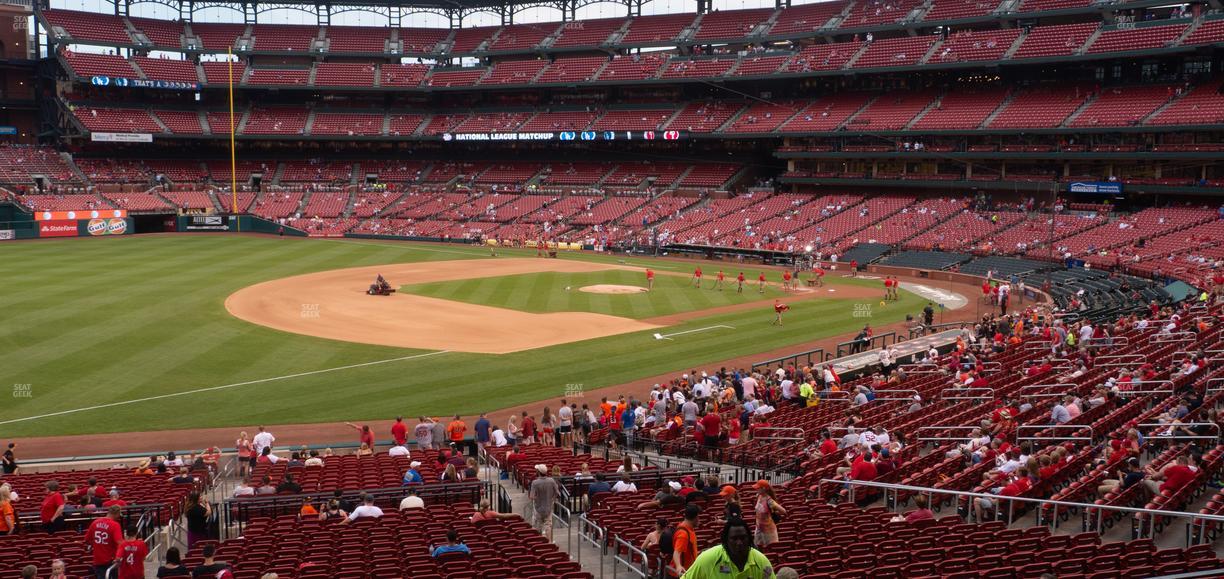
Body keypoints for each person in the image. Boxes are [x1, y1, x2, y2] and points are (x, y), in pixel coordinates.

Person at [683, 517, 776, 578]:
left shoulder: (761, 562)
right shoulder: (707, 559)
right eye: (734, 539)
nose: (739, 543)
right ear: (726, 541)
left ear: (749, 539)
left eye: (743, 538)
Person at [86, 505, 123, 579]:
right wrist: (119, 556)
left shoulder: (95, 522)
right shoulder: (115, 525)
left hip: (98, 560)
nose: (119, 517)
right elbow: (120, 543)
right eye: (119, 514)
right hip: (111, 560)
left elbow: (87, 539)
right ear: (116, 513)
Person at [529, 464, 560, 540]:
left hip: (538, 508)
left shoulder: (535, 482)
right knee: (548, 526)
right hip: (548, 506)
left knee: (538, 526)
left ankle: (539, 543)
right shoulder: (551, 480)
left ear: (538, 472)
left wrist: (537, 498)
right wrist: (553, 499)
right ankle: (549, 543)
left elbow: (531, 496)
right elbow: (557, 493)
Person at [671, 503, 702, 576]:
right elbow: (677, 552)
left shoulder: (688, 528)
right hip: (682, 573)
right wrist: (678, 566)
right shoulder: (683, 534)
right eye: (699, 517)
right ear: (696, 517)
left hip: (689, 571)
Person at [752, 480, 786, 548]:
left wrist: (774, 512)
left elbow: (783, 511)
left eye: (758, 488)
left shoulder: (769, 501)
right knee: (756, 548)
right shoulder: (758, 496)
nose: (756, 489)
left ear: (763, 489)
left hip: (768, 531)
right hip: (759, 528)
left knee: (770, 549)